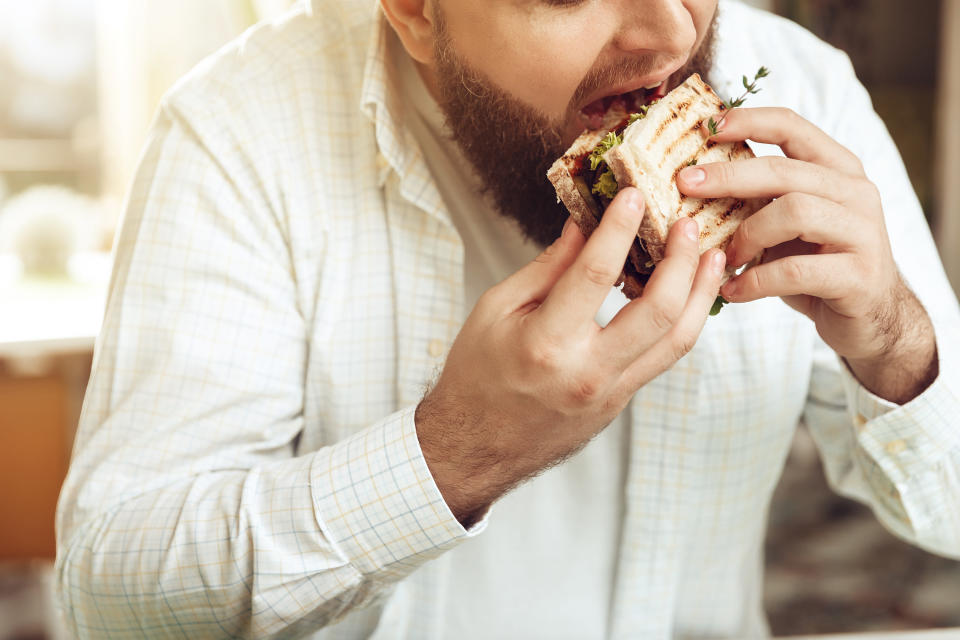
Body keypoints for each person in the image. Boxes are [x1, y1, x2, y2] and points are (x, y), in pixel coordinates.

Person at [55, 0, 960, 637]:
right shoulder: (240, 129)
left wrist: (894, 336)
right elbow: (112, 600)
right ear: (414, 10)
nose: (671, 33)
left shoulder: (809, 88)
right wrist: (457, 451)